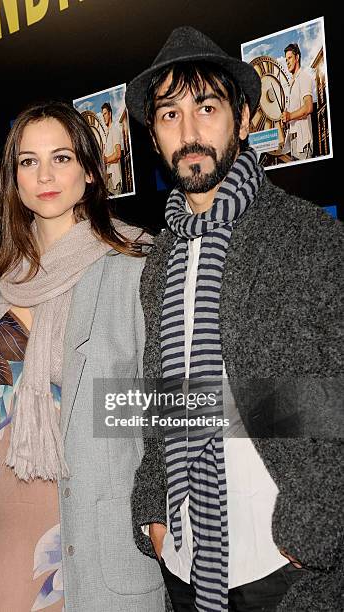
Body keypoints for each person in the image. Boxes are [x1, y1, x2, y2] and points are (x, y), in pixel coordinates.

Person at [125, 26, 343, 612]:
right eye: (169, 115)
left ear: (244, 119)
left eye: (207, 108)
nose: (189, 133)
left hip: (282, 561)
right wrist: (154, 502)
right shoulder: (160, 258)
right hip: (185, 554)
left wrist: (313, 524)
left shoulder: (306, 237)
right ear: (153, 136)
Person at [0, 101, 164, 612]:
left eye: (61, 158)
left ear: (90, 171)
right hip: (6, 536)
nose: (44, 175)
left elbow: (169, 404)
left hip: (95, 541)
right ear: (13, 180)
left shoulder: (134, 267)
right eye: (28, 161)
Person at [280, 43, 314, 161]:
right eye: (286, 59)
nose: (287, 62)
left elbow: (308, 107)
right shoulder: (291, 84)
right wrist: (286, 120)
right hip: (293, 142)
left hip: (303, 143)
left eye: (289, 58)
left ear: (297, 57)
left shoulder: (304, 77)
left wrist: (289, 116)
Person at [101, 102, 123, 195]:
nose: (103, 116)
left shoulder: (115, 130)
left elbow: (118, 154)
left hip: (115, 178)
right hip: (107, 177)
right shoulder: (107, 134)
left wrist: (105, 160)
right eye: (102, 115)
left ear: (110, 114)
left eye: (105, 114)